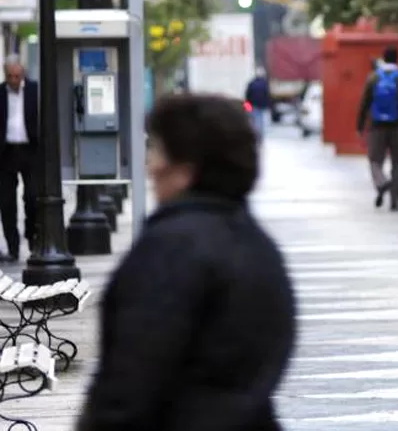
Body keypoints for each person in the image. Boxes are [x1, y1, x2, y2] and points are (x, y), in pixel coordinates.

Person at [77, 94, 296, 430]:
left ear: (186, 170)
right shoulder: (259, 245)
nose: (150, 166)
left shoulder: (171, 249)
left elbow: (129, 384)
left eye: (157, 151)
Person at [357, 46, 398, 211]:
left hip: (376, 127)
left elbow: (364, 103)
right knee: (397, 163)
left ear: (383, 58)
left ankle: (382, 182)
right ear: (397, 58)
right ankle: (395, 201)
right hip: (397, 126)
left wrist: (360, 126)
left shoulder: (373, 78)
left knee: (374, 160)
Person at [0, 55, 37, 262]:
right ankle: (13, 248)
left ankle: (31, 237)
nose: (14, 80)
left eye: (17, 76)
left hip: (30, 150)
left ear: (22, 74)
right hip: (5, 153)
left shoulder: (34, 90)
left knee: (32, 198)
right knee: (6, 203)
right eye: (10, 76)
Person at [244, 67, 272, 140]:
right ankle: (259, 135)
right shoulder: (265, 84)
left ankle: (255, 134)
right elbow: (267, 95)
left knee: (254, 120)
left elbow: (247, 95)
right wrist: (268, 105)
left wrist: (247, 107)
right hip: (261, 106)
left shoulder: (251, 83)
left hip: (253, 106)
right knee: (260, 122)